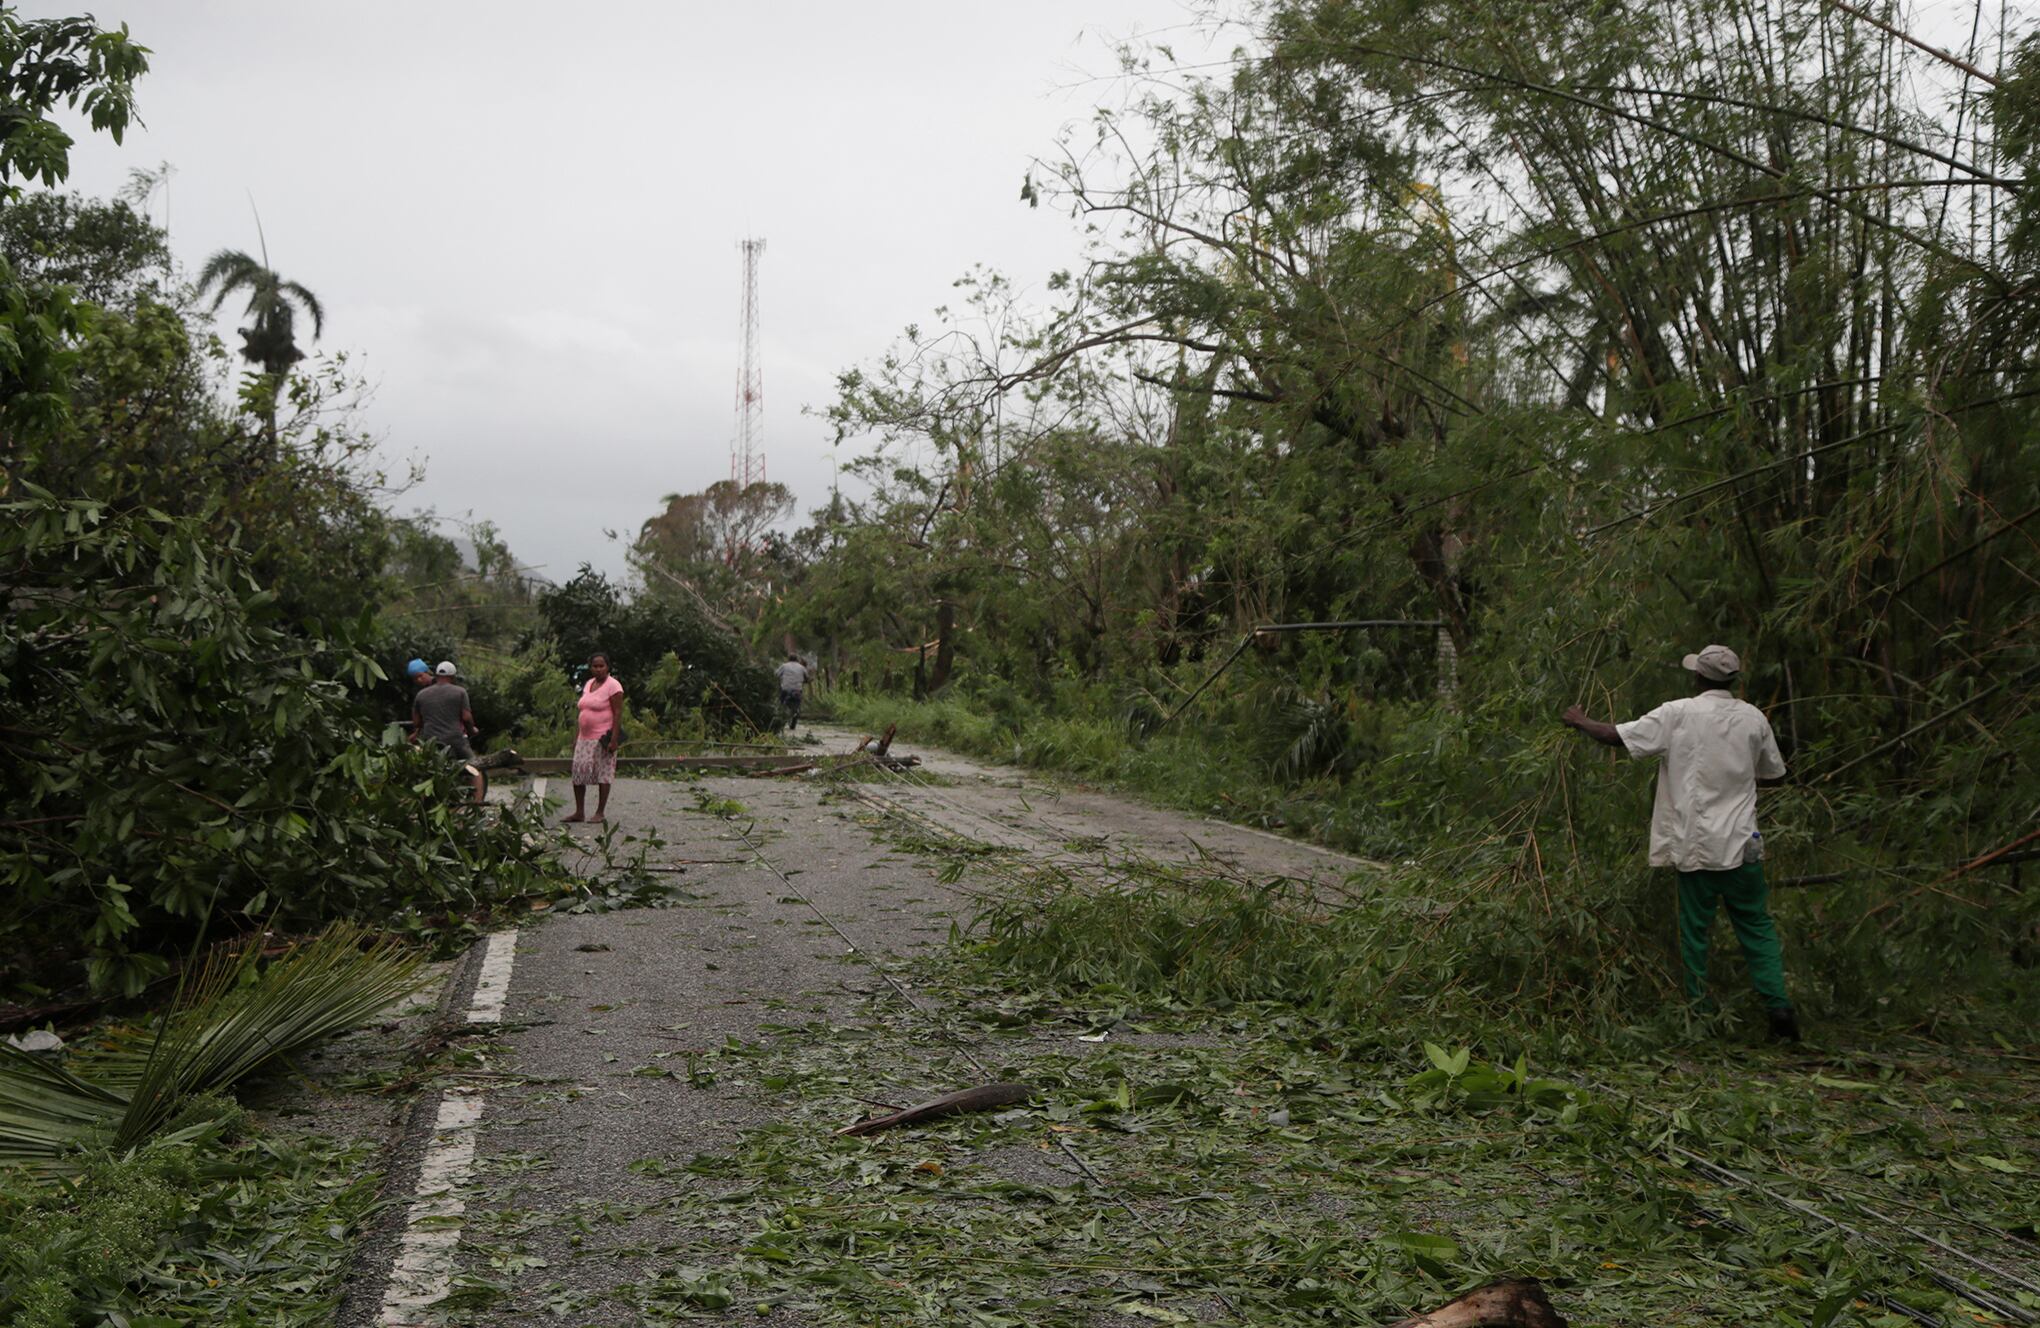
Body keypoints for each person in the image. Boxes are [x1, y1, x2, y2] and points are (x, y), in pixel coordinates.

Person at [1560, 643, 1799, 1040]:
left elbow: (1617, 737)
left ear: (1697, 677)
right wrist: (1737, 777)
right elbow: (1776, 774)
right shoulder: (1753, 718)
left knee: (1694, 935)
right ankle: (1781, 1012)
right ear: (1734, 680)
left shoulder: (1678, 713)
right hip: (1743, 847)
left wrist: (1580, 720)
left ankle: (1699, 1018)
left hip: (1697, 845)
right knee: (1757, 928)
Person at [411, 660, 484, 804]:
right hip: (455, 740)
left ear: (436, 675)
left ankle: (424, 803)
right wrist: (472, 730)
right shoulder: (460, 692)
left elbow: (417, 722)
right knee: (475, 768)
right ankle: (477, 804)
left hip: (430, 742)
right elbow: (466, 717)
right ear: (452, 676)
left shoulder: (421, 695)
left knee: (427, 772)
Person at [568, 652, 625, 824]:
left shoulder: (613, 686)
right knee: (578, 773)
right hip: (584, 738)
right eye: (595, 666)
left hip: (602, 737)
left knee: (603, 774)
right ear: (590, 667)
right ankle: (579, 811)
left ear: (608, 667)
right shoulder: (588, 684)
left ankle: (600, 812)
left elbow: (618, 713)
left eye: (602, 666)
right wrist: (577, 736)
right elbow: (583, 711)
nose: (598, 669)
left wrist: (614, 740)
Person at [776, 652, 810, 731]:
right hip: (797, 689)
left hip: (785, 689)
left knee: (781, 704)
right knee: (797, 705)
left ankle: (780, 713)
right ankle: (796, 712)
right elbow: (807, 678)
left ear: (788, 659)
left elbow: (776, 674)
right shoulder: (802, 667)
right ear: (797, 660)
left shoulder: (784, 666)